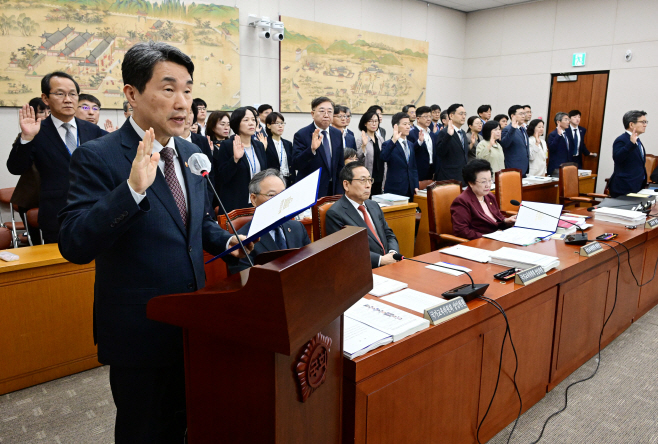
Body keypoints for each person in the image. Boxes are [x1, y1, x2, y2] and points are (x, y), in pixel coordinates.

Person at [57, 41, 253, 443]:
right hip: (140, 331)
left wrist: (241, 243)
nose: (183, 102)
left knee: (189, 424)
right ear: (132, 94)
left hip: (194, 322)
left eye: (187, 89)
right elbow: (75, 244)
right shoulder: (99, 156)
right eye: (168, 89)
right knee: (144, 432)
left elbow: (195, 226)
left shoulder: (189, 150)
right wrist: (130, 190)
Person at [6, 71, 105, 243]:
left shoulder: (93, 130)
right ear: (45, 98)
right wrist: (26, 138)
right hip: (57, 217)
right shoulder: (37, 131)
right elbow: (15, 168)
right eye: (60, 94)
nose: (68, 99)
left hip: (96, 214)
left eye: (72, 94)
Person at [227, 169, 310, 274]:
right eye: (272, 195)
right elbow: (242, 281)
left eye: (283, 194)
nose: (280, 200)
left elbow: (311, 263)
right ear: (253, 199)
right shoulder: (242, 239)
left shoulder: (297, 228)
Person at [325, 161, 400, 268]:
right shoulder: (335, 213)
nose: (368, 185)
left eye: (369, 180)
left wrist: (393, 253)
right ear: (346, 185)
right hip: (362, 270)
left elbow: (389, 234)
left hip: (389, 265)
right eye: (362, 180)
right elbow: (345, 250)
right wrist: (380, 260)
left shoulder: (373, 205)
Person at [216, 107, 268, 212]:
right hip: (235, 204)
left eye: (253, 120)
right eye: (246, 120)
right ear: (237, 123)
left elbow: (264, 174)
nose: (251, 123)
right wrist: (235, 159)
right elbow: (222, 178)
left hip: (257, 203)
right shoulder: (227, 145)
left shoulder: (259, 146)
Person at [450, 159, 516, 240]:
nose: (488, 185)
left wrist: (506, 221)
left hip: (498, 238)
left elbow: (497, 218)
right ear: (471, 183)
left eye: (490, 180)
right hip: (481, 243)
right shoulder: (462, 201)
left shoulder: (489, 196)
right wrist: (489, 237)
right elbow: (461, 231)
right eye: (484, 182)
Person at [292, 96, 344, 197]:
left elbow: (340, 164)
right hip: (311, 191)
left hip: (333, 190)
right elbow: (296, 164)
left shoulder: (337, 134)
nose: (326, 115)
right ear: (313, 114)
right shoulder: (302, 134)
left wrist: (340, 191)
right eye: (322, 111)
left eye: (330, 111)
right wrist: (311, 150)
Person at [608, 110, 649, 197]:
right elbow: (617, 158)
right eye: (642, 122)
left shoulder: (637, 140)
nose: (645, 125)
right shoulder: (622, 140)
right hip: (624, 187)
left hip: (636, 186)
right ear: (631, 124)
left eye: (646, 122)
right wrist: (631, 144)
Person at [380, 112, 419, 199]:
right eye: (405, 124)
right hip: (395, 188)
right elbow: (383, 157)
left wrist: (416, 185)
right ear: (396, 126)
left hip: (410, 188)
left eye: (409, 124)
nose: (408, 127)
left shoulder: (411, 144)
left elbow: (413, 167)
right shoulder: (388, 144)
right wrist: (393, 140)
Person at [181, 105, 214, 201]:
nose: (187, 116)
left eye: (190, 112)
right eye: (183, 112)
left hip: (201, 196)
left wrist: (207, 197)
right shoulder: (169, 141)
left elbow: (210, 172)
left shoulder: (201, 140)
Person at [435, 103, 469, 184]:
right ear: (451, 116)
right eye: (461, 114)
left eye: (465, 114)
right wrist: (449, 135)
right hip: (449, 177)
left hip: (462, 177)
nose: (464, 117)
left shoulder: (463, 133)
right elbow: (440, 152)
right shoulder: (444, 132)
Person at [356, 110, 385, 195]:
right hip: (367, 178)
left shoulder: (381, 139)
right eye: (371, 121)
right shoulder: (361, 139)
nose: (374, 124)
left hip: (380, 177)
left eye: (376, 121)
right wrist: (363, 146)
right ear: (365, 123)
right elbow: (358, 160)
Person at [264, 111, 295, 187]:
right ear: (269, 126)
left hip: (289, 180)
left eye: (282, 123)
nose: (280, 126)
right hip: (273, 182)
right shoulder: (265, 143)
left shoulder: (288, 144)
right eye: (277, 123)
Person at [408, 105, 437, 180]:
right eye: (426, 116)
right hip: (418, 171)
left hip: (431, 170)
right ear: (418, 118)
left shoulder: (431, 134)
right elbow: (409, 152)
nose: (428, 119)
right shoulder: (411, 134)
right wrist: (419, 142)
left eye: (430, 117)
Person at [500, 105, 529, 175]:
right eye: (521, 114)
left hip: (524, 168)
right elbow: (505, 144)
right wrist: (513, 128)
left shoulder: (523, 129)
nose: (523, 116)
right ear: (513, 116)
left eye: (524, 114)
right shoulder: (507, 129)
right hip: (513, 167)